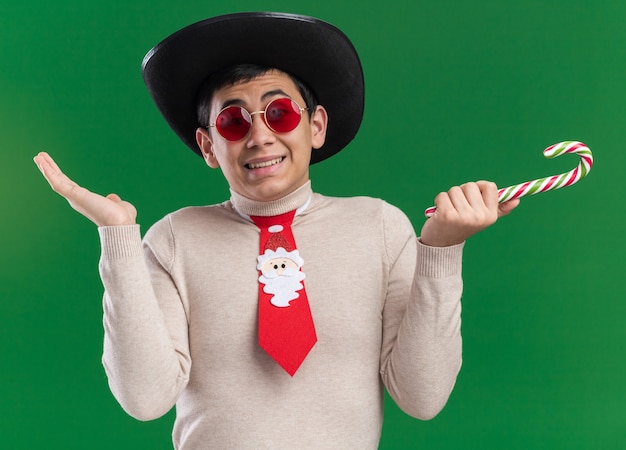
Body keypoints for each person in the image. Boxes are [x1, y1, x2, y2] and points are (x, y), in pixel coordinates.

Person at [33, 12, 519, 449]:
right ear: (207, 146)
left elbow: (422, 397)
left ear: (316, 126)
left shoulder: (381, 228)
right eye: (232, 120)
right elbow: (144, 399)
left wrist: (442, 251)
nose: (260, 135)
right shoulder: (173, 240)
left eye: (280, 112)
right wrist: (119, 241)